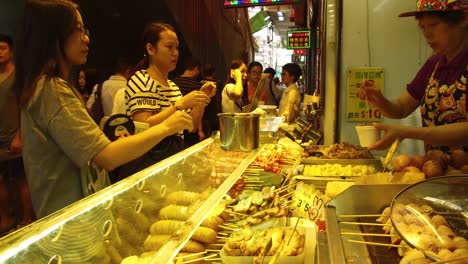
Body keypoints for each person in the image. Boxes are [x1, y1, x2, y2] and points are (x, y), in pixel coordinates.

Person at [14, 0, 194, 218]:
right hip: (72, 221)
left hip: (77, 215)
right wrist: (166, 126)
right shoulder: (52, 90)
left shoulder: (51, 87)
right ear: (54, 35)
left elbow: (91, 147)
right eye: (78, 30)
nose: (86, 38)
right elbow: (107, 157)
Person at [359, 0, 467, 151]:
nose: (427, 34)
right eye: (422, 27)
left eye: (434, 25)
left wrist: (408, 132)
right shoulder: (434, 64)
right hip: (437, 169)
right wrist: (379, 100)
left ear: (463, 20)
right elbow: (402, 108)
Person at [119, 22, 210, 179]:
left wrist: (201, 99)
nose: (175, 53)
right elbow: (144, 126)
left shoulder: (173, 86)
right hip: (149, 167)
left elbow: (191, 127)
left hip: (171, 163)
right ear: (150, 49)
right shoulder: (141, 80)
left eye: (177, 48)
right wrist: (178, 105)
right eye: (169, 47)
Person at [0, 33, 35, 233]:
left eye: (2, 48)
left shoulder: (18, 77)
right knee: (2, 180)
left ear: (11, 51)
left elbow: (25, 107)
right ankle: (5, 219)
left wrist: (20, 136)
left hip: (17, 137)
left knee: (23, 178)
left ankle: (27, 219)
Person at [173, 56, 216, 147]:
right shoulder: (195, 85)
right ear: (196, 68)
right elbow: (197, 108)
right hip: (190, 127)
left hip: (176, 128)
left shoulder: (174, 82)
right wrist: (200, 130)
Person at [201, 64, 222, 136]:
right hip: (213, 115)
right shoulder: (216, 84)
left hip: (204, 116)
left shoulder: (201, 83)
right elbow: (218, 100)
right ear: (213, 73)